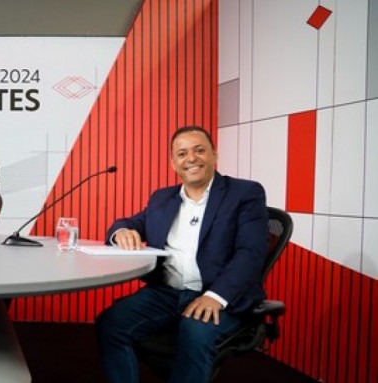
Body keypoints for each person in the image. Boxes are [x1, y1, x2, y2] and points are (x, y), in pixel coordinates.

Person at [96, 125, 269, 383]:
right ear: (173, 163)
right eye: (182, 153)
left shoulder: (244, 193)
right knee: (111, 323)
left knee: (195, 332)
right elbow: (128, 223)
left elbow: (251, 252)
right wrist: (120, 232)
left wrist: (215, 296)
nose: (191, 158)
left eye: (200, 150)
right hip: (167, 293)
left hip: (218, 294)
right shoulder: (162, 198)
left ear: (214, 154)